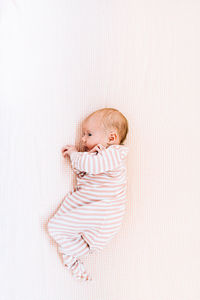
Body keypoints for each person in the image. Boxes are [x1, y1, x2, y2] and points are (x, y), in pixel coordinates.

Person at [47, 108, 129, 281]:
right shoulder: (96, 156)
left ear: (112, 138)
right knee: (57, 226)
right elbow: (83, 173)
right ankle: (72, 259)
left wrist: (75, 155)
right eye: (83, 134)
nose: (83, 139)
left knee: (55, 227)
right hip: (92, 208)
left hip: (104, 211)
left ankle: (71, 254)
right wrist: (77, 160)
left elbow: (91, 166)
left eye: (89, 134)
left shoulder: (114, 154)